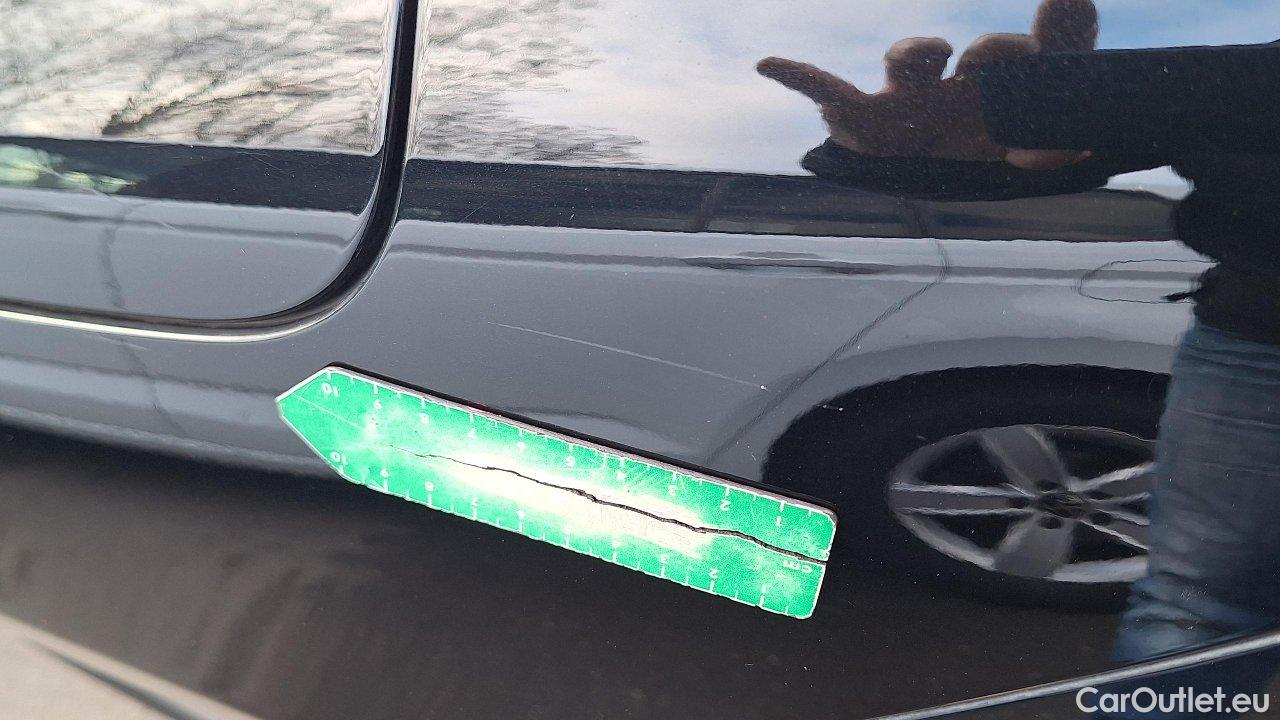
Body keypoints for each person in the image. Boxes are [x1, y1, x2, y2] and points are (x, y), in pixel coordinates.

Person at [758, 1, 1280, 717]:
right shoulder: (1207, 90)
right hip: (1257, 335)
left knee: (1202, 606)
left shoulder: (1205, 79)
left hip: (1251, 337)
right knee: (1201, 607)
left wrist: (1064, 92)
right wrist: (893, 142)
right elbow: (1016, 168)